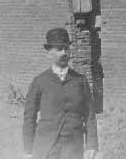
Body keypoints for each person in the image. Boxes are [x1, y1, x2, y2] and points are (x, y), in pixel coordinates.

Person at [22, 28, 98, 159]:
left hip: (73, 148)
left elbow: (90, 115)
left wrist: (92, 145)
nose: (64, 53)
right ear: (49, 53)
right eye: (58, 49)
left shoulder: (80, 81)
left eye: (66, 48)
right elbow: (29, 116)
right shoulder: (39, 81)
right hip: (46, 148)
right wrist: (28, 150)